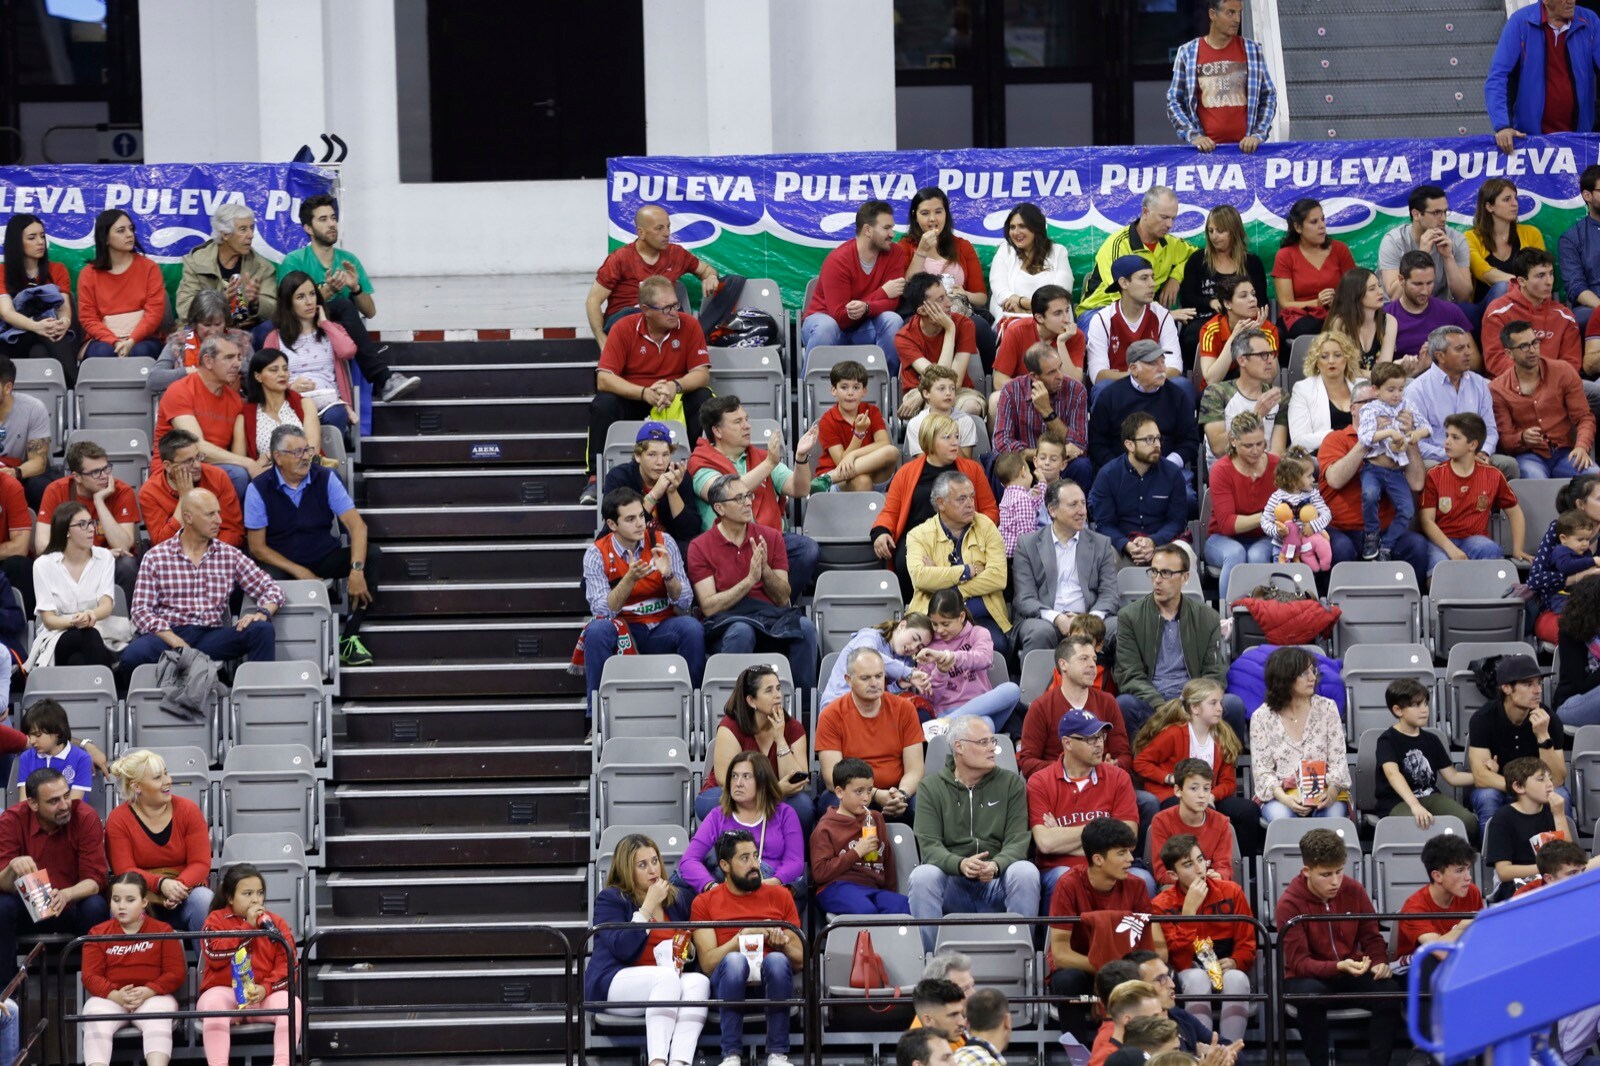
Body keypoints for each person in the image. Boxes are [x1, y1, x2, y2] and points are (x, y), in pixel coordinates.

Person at [243, 425, 380, 667]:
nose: (306, 456)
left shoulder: (325, 478)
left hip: (322, 556)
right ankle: (271, 651)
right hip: (281, 561)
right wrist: (299, 570)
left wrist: (356, 570)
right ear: (278, 457)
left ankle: (349, 636)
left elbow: (358, 527)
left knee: (371, 555)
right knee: (264, 578)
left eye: (307, 449)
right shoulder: (258, 488)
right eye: (297, 452)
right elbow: (257, 548)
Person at [910, 714, 1040, 949]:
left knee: (1026, 871)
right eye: (983, 743)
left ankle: (1023, 958)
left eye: (993, 742)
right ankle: (929, 964)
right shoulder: (931, 787)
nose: (992, 749)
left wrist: (997, 864)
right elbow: (929, 847)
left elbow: (1018, 840)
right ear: (959, 747)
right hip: (953, 883)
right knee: (922, 876)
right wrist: (960, 864)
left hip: (997, 881)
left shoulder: (1011, 784)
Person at [120, 488, 283, 675]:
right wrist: (178, 644)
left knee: (261, 630)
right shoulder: (156, 556)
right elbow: (141, 611)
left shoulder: (229, 555)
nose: (219, 521)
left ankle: (257, 699)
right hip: (168, 636)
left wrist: (262, 612)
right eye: (210, 514)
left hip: (210, 635)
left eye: (218, 513)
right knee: (132, 656)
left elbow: (272, 589)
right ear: (188, 518)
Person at [275, 194, 419, 403]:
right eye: (323, 219)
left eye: (333, 218)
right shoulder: (294, 261)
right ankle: (384, 378)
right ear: (308, 228)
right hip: (303, 326)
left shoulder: (349, 260)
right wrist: (329, 291)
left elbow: (370, 312)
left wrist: (356, 287)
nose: (332, 224)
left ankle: (385, 379)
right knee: (342, 304)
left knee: (347, 304)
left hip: (339, 330)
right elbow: (287, 307)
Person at [584, 275, 713, 505]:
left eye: (676, 305)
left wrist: (676, 386)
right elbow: (604, 379)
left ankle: (699, 470)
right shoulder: (624, 328)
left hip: (675, 397)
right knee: (604, 403)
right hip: (637, 395)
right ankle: (595, 479)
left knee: (704, 398)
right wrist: (644, 392)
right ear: (646, 310)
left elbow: (702, 374)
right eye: (667, 308)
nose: (674, 312)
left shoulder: (690, 325)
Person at [1275, 829, 1401, 1066]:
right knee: (1310, 995)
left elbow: (1372, 936)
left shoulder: (1354, 890)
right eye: (1325, 874)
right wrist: (1338, 966)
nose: (1335, 881)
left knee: (1390, 992)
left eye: (1339, 872)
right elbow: (1300, 964)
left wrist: (1378, 961)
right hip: (1307, 976)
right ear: (1306, 871)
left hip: (1349, 970)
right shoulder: (1289, 904)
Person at [686, 473, 818, 697]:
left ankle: (804, 711)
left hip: (770, 616)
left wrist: (765, 571)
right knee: (742, 631)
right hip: (726, 621)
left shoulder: (771, 537)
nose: (748, 502)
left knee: (805, 629)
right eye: (739, 499)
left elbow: (782, 597)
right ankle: (732, 710)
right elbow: (708, 607)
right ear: (719, 508)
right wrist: (749, 581)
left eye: (748, 496)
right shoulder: (700, 546)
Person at [585, 832, 708, 1066]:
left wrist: (688, 950)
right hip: (614, 982)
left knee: (699, 983)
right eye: (642, 865)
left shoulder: (676, 899)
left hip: (663, 984)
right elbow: (622, 948)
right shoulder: (611, 899)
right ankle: (658, 1062)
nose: (653, 870)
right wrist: (648, 906)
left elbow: (687, 948)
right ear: (626, 870)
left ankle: (680, 1062)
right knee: (666, 978)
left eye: (655, 861)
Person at [583, 483, 704, 710]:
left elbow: (685, 602)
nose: (640, 523)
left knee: (691, 628)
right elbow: (602, 611)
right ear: (612, 524)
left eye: (641, 515)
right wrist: (629, 578)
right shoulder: (596, 553)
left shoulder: (663, 542)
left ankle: (692, 711)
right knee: (596, 631)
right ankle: (595, 717)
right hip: (624, 631)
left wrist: (668, 576)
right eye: (630, 519)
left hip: (661, 628)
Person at [689, 828, 803, 1066]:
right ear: (725, 865)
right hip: (727, 980)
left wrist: (781, 945)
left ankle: (777, 1055)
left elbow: (801, 959)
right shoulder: (704, 903)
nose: (754, 865)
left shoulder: (780, 895)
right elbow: (708, 964)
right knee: (733, 961)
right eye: (744, 858)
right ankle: (731, 1055)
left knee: (777, 960)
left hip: (773, 980)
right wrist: (740, 939)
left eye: (755, 856)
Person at [688, 397, 820, 595]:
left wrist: (801, 458)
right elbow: (723, 493)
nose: (747, 426)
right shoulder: (700, 463)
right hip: (726, 545)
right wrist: (769, 464)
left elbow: (798, 489)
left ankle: (779, 602)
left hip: (767, 538)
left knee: (807, 549)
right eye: (737, 422)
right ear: (717, 431)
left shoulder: (759, 457)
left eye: (746, 419)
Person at [1114, 543, 1240, 739]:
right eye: (1154, 572)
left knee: (1233, 705)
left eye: (1165, 573)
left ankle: (1220, 769)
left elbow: (1214, 671)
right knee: (1124, 704)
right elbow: (1129, 675)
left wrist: (1191, 703)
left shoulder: (1206, 617)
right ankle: (1137, 769)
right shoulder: (1129, 617)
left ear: (1185, 577)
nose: (1157, 580)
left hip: (1194, 701)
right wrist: (1161, 705)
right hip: (1152, 701)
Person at [0, 768, 110, 989]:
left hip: (70, 905)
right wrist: (13, 868)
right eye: (53, 801)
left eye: (66, 796)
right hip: (28, 907)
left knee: (95, 906)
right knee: (1, 906)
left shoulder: (85, 816)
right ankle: (6, 994)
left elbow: (96, 879)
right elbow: (2, 883)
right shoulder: (11, 820)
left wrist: (68, 893)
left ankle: (97, 986)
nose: (64, 805)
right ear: (32, 804)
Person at [874, 415, 997, 600]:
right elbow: (891, 511)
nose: (955, 443)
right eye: (947, 437)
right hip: (917, 539)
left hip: (961, 536)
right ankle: (915, 610)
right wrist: (881, 532)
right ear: (929, 440)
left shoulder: (972, 469)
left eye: (956, 437)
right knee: (904, 561)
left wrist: (976, 532)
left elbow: (990, 510)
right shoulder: (906, 473)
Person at [1316, 379, 1432, 574]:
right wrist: (1367, 439)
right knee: (1340, 549)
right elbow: (1335, 480)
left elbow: (1417, 483)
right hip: (1343, 530)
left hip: (1385, 533)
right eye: (1369, 403)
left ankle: (1412, 603)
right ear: (1353, 409)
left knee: (1417, 545)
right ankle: (1334, 604)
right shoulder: (1336, 439)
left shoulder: (1395, 440)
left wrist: (1408, 436)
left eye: (1382, 403)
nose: (1377, 408)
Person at [1133, 681, 1260, 855]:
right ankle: (1182, 864)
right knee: (1184, 807)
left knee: (1249, 811)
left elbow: (1229, 782)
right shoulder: (1174, 733)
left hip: (1208, 797)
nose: (1220, 709)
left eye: (1221, 703)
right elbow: (1141, 762)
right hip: (1175, 795)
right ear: (1195, 708)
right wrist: (1169, 778)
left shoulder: (1222, 738)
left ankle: (1248, 871)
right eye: (1213, 703)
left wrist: (1212, 795)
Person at [1028, 708, 1141, 901]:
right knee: (1064, 878)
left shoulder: (1118, 777)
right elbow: (1046, 843)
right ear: (1067, 743)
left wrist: (1061, 835)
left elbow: (1128, 838)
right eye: (1091, 739)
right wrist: (1106, 833)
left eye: (1101, 737)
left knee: (1143, 878)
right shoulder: (1040, 781)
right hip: (1060, 869)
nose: (1099, 745)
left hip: (1112, 865)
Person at [1046, 819, 1157, 1003]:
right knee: (1068, 981)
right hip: (1084, 966)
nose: (1130, 859)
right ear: (1098, 859)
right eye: (1122, 853)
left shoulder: (1137, 885)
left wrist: (1126, 969)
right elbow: (1060, 955)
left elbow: (1152, 946)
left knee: (1164, 975)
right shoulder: (1067, 885)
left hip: (1125, 969)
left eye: (1129, 851)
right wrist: (1111, 968)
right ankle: (1074, 1034)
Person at [198, 863, 299, 1066]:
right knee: (213, 1005)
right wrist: (247, 929)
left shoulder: (275, 923)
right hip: (224, 993)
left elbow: (288, 965)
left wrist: (265, 988)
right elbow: (213, 953)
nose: (256, 899)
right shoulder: (215, 920)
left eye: (260, 893)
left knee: (292, 1004)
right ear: (229, 897)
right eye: (247, 893)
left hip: (261, 995)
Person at [80, 872, 184, 1066]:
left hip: (152, 997)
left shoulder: (163, 931)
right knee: (93, 1011)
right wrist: (115, 994)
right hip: (112, 998)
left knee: (159, 1012)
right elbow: (90, 976)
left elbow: (175, 973)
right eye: (116, 899)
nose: (121, 906)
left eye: (130, 900)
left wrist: (148, 990)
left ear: (144, 902)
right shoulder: (97, 933)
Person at [104, 748, 213, 932]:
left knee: (204, 899)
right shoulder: (118, 819)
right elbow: (124, 870)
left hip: (184, 895)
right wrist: (161, 884)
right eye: (157, 778)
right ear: (137, 786)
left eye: (166, 773)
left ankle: (210, 961)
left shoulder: (188, 810)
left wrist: (177, 889)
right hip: (142, 897)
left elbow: (200, 862)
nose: (167, 781)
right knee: (121, 906)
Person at [815, 647, 926, 824]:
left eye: (879, 676)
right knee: (836, 803)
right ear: (848, 680)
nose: (874, 683)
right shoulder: (831, 715)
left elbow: (915, 769)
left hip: (896, 791)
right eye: (866, 678)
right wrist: (873, 794)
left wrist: (901, 795)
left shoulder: (905, 709)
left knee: (923, 804)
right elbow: (831, 778)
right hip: (852, 792)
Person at [905, 472, 1011, 655]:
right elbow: (921, 577)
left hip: (982, 618)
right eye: (961, 499)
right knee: (925, 651)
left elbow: (998, 578)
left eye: (971, 497)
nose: (970, 504)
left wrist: (951, 589)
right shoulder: (918, 535)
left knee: (996, 647)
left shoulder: (986, 526)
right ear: (941, 503)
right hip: (936, 621)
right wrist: (967, 571)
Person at [1011, 482, 1120, 658]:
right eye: (1073, 505)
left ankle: (1124, 685)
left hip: (1090, 617)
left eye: (1083, 503)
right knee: (1040, 632)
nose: (1082, 511)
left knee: (1120, 627)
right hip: (1046, 619)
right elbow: (1025, 598)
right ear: (1052, 511)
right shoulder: (1027, 544)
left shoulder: (1102, 543)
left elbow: (1109, 594)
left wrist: (1088, 622)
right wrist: (1057, 618)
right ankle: (1039, 686)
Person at [800, 200, 909, 372]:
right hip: (826, 321)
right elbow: (841, 317)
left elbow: (892, 302)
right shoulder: (838, 260)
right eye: (886, 228)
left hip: (864, 325)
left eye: (892, 227)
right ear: (867, 230)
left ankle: (889, 388)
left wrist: (866, 307)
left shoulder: (895, 253)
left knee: (892, 320)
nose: (892, 233)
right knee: (827, 327)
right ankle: (811, 393)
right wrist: (881, 293)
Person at [586, 205, 721, 342]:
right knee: (644, 314)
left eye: (668, 227)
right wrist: (602, 340)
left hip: (662, 318)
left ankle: (698, 336)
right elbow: (593, 301)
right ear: (641, 233)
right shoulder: (620, 258)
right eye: (659, 228)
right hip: (625, 320)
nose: (667, 233)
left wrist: (711, 276)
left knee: (733, 283)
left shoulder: (676, 254)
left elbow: (706, 270)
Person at [899, 188, 998, 374]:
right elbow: (907, 288)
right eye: (925, 213)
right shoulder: (906, 246)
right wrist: (921, 251)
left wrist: (964, 294)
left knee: (981, 328)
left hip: (959, 311)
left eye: (938, 211)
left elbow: (981, 298)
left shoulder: (962, 246)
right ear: (915, 216)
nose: (932, 219)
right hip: (923, 314)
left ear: (946, 213)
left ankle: (989, 381)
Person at [151, 332, 259, 502]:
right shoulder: (180, 390)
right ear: (208, 361)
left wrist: (247, 463)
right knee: (239, 474)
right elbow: (196, 447)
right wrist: (248, 463)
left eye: (239, 357)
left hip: (212, 471)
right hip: (177, 470)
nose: (237, 364)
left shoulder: (235, 401)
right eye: (229, 358)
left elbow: (238, 456)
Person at [1248, 646, 1351, 823]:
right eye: (1304, 673)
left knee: (1330, 818)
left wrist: (1332, 793)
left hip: (1325, 789)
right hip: (1282, 795)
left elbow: (1338, 761)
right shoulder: (1261, 717)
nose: (1312, 678)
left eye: (1313, 671)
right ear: (1284, 678)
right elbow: (1263, 772)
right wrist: (1286, 799)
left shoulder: (1327, 708)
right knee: (1283, 818)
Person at [699, 664, 811, 826]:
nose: (777, 695)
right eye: (769, 690)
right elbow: (726, 780)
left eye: (778, 688)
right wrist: (773, 791)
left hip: (778, 795)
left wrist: (780, 739)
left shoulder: (793, 728)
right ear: (751, 701)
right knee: (716, 803)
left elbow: (796, 782)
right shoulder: (731, 727)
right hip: (731, 793)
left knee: (802, 805)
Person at [679, 752, 804, 895]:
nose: (738, 783)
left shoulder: (785, 814)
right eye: (734, 776)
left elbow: (794, 861)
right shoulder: (717, 816)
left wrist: (773, 882)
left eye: (746, 776)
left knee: (797, 887)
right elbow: (689, 860)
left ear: (762, 782)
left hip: (771, 889)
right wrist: (712, 887)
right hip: (727, 888)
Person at [1467, 653, 1570, 826]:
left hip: (1537, 787)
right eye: (1528, 684)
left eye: (1538, 683)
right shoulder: (1483, 719)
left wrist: (1543, 736)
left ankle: (1561, 853)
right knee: (1486, 796)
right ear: (1506, 688)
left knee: (1561, 796)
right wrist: (1525, 788)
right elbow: (1481, 777)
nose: (1537, 690)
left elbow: (1558, 779)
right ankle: (1492, 853)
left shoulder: (1549, 720)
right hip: (1501, 787)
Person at [1485, 0, 1600, 153]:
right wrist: (1503, 126)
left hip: (1579, 139)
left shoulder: (1590, 21)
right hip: (1530, 141)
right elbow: (1498, 77)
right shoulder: (1520, 22)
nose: (1571, 0)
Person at [1407, 325, 1520, 480]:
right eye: (1460, 348)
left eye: (1468, 346)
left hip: (1477, 455)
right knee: (1429, 468)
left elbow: (1490, 429)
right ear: (1440, 356)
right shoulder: (1417, 390)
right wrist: (1456, 456)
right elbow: (1416, 442)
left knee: (1508, 465)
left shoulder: (1480, 384)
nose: (1468, 352)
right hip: (1440, 457)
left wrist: (1483, 452)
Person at [1418, 413, 1527, 574]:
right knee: (1439, 565)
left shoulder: (1493, 475)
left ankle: (1486, 597)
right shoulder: (1435, 474)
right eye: (1447, 436)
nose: (1447, 442)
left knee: (1491, 550)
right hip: (1442, 540)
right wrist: (1451, 549)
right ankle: (1439, 598)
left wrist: (1517, 548)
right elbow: (1426, 520)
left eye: (1455, 437)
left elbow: (1515, 511)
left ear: (1472, 445)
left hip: (1475, 539)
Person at [1491, 318, 1599, 480]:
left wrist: (1582, 447)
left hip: (1565, 453)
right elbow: (1505, 440)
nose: (1532, 350)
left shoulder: (1563, 371)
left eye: (1535, 342)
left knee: (1594, 476)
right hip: (1529, 456)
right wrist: (1522, 438)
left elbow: (1584, 418)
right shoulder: (1498, 389)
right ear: (1509, 353)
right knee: (1535, 480)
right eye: (1524, 346)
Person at [34, 440, 139, 604]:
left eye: (106, 468)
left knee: (127, 564)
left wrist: (99, 501)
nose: (104, 476)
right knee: (44, 564)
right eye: (96, 472)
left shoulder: (122, 491)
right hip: (70, 562)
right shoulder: (56, 490)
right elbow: (42, 545)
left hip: (110, 564)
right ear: (77, 477)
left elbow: (124, 545)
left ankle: (129, 623)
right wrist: (94, 556)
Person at [1166, 0, 1276, 154]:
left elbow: (1268, 96)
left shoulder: (1253, 51)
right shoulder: (1188, 53)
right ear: (1212, 14)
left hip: (1247, 153)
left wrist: (1257, 135)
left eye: (1239, 13)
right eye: (1230, 13)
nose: (1237, 19)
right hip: (1204, 155)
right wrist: (1194, 136)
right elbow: (1174, 101)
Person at [1375, 678, 1480, 839]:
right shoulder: (1387, 740)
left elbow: (1453, 776)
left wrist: (1484, 776)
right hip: (1397, 801)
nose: (1424, 710)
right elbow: (1392, 774)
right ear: (1398, 710)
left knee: (1468, 822)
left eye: (1425, 704)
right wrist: (1415, 805)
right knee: (1416, 826)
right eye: (1416, 705)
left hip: (1430, 796)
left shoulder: (1432, 739)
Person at [1018, 635, 1133, 779]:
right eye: (1084, 659)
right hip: (1060, 787)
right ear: (1063, 665)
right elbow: (1028, 762)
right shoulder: (1041, 707)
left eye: (1094, 659)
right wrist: (1070, 769)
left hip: (1103, 784)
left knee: (1147, 801)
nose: (1092, 665)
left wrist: (1116, 765)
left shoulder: (1107, 702)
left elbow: (1124, 755)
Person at [260, 272, 358, 433]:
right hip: (291, 404)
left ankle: (320, 457)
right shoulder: (275, 338)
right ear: (288, 304)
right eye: (300, 297)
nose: (309, 302)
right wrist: (289, 388)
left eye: (312, 294)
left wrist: (325, 323)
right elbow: (266, 378)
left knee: (336, 415)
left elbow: (348, 351)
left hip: (329, 405)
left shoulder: (332, 330)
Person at [26, 501, 117, 672]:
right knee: (89, 636)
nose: (91, 529)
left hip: (98, 628)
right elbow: (49, 620)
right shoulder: (43, 565)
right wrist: (76, 621)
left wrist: (89, 616)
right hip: (58, 635)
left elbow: (106, 605)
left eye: (91, 523)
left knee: (79, 660)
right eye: (82, 524)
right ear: (66, 530)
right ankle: (105, 693)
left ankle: (97, 692)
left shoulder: (105, 557)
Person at [810, 757, 908, 916]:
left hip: (872, 888)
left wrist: (890, 894)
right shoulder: (826, 827)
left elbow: (887, 860)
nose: (866, 798)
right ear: (839, 792)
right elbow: (820, 873)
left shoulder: (876, 819)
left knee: (903, 907)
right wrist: (856, 852)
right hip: (836, 887)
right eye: (859, 791)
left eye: (869, 790)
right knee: (865, 911)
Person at [1079, 189, 1191, 323]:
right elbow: (1122, 293)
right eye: (1164, 217)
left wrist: (1176, 278)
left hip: (1143, 312)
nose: (1170, 225)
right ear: (1145, 212)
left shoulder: (1172, 244)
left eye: (1173, 218)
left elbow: (1201, 256)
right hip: (1099, 310)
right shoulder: (1119, 244)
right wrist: (1163, 315)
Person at [1086, 345, 1200, 476]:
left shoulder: (1178, 396)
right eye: (1153, 364)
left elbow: (1190, 441)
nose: (1162, 369)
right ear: (1134, 369)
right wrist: (1118, 468)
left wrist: (1169, 464)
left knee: (1187, 495)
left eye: (1163, 362)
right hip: (1121, 472)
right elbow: (1097, 442)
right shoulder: (1110, 396)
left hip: (1167, 470)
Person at [993, 344, 1092, 493]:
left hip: (1062, 464)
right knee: (1000, 465)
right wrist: (1041, 455)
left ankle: (1073, 512)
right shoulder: (1011, 391)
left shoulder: (1076, 390)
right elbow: (1001, 443)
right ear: (1034, 376)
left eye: (1060, 367)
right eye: (1052, 372)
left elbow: (1079, 445)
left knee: (1083, 466)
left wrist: (1047, 412)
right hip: (1025, 465)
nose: (1060, 376)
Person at [1083, 258, 1184, 401]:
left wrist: (1144, 378)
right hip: (1120, 392)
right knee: (1103, 388)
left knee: (1181, 384)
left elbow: (1175, 367)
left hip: (1156, 387)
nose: (1152, 284)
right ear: (1124, 283)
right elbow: (1099, 375)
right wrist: (1141, 377)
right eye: (1144, 278)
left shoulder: (1161, 315)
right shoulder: (1102, 319)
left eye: (1152, 277)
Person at [920, 589, 1021, 731]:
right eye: (934, 624)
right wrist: (941, 671)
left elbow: (984, 658)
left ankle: (946, 722)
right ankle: (946, 722)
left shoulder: (978, 632)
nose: (939, 630)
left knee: (1013, 689)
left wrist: (952, 657)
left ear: (961, 617)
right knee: (986, 725)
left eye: (945, 624)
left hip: (981, 706)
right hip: (947, 709)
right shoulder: (929, 646)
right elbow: (931, 699)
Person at [1358, 361, 1430, 559]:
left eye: (1400, 389)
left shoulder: (1407, 406)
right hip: (1373, 468)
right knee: (1370, 495)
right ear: (1376, 390)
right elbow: (1365, 437)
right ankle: (1371, 535)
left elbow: (1427, 427)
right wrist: (1389, 432)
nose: (1397, 394)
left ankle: (1386, 546)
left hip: (1396, 470)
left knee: (1407, 510)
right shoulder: (1370, 409)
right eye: (1391, 389)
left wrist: (1415, 434)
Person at [1181, 206, 1269, 367]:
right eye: (1211, 231)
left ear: (1233, 231)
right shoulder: (1198, 259)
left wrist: (1240, 311)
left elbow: (1261, 300)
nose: (1214, 236)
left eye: (1220, 231)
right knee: (1193, 335)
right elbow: (1187, 298)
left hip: (1244, 320)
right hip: (1206, 321)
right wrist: (1209, 302)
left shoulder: (1252, 262)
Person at [175, 204, 277, 340]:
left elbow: (274, 309)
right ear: (225, 234)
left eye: (252, 228)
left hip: (245, 331)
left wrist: (256, 302)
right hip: (207, 330)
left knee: (269, 328)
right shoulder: (196, 262)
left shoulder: (263, 267)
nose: (251, 235)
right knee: (188, 332)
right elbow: (184, 308)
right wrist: (220, 301)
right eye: (243, 229)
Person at [1202, 412, 1278, 596]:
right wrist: (1267, 516)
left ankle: (1261, 615)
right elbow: (1227, 525)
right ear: (1233, 441)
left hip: (1264, 536)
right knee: (1235, 554)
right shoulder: (1221, 470)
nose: (1256, 450)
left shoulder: (1277, 464)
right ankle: (1228, 615)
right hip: (1221, 538)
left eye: (1260, 444)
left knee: (1257, 555)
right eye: (1248, 445)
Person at [76, 209, 166, 361]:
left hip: (143, 338)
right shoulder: (88, 274)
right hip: (103, 339)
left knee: (141, 351)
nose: (129, 234)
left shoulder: (149, 268)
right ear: (105, 238)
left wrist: (132, 340)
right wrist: (115, 341)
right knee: (103, 353)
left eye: (131, 229)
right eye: (121, 230)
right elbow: (88, 318)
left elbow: (154, 313)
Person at [894, 274, 987, 420]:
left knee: (971, 407)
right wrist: (950, 330)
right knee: (937, 407)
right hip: (919, 391)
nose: (949, 303)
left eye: (946, 295)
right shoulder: (904, 337)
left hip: (957, 390)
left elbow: (953, 382)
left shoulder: (964, 325)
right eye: (940, 299)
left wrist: (950, 329)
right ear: (922, 310)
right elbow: (939, 380)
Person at [1483, 248, 1584, 379]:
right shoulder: (1498, 311)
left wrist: (1549, 383)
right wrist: (1533, 379)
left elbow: (1572, 363)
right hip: (1512, 386)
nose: (1549, 282)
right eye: (1541, 276)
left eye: (1551, 274)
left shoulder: (1565, 316)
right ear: (1521, 281)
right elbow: (1496, 361)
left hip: (1556, 386)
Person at [138, 430, 244, 549]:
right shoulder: (150, 492)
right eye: (188, 461)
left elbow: (234, 532)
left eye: (198, 457)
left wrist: (204, 552)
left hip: (215, 553)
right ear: (168, 466)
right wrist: (184, 499)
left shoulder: (218, 477)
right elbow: (161, 544)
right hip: (174, 560)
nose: (197, 465)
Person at [0, 214, 76, 378]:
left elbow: (64, 307)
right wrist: (37, 326)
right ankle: (75, 388)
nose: (40, 242)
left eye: (42, 236)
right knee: (48, 335)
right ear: (17, 242)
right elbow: (6, 312)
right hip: (13, 337)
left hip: (49, 333)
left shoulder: (58, 269)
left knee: (40, 351)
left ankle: (67, 394)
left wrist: (64, 321)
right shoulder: (2, 272)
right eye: (32, 237)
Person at [601, 421, 699, 546]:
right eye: (652, 455)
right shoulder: (619, 477)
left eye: (665, 454)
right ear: (637, 456)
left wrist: (672, 492)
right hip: (629, 544)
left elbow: (689, 531)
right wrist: (654, 495)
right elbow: (615, 528)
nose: (660, 462)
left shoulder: (678, 476)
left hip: (670, 546)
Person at [1198, 328, 1284, 468]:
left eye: (1271, 354)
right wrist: (1256, 415)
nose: (1270, 360)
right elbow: (1219, 449)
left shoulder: (1279, 396)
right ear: (1242, 360)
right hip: (1226, 473)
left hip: (1266, 472)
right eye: (1263, 355)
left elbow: (1277, 452)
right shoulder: (1216, 393)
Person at [1272, 199, 1356, 342]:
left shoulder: (1340, 249)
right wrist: (1317, 303)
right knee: (1311, 327)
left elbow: (1355, 289)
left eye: (1323, 220)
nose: (1322, 226)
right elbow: (1286, 303)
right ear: (1298, 227)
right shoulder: (1285, 255)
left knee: (1349, 322)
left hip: (1337, 312)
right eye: (1314, 222)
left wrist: (1337, 300)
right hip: (1300, 317)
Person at [1483, 757, 1565, 901]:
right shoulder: (1503, 817)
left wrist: (1559, 815)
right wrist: (1546, 869)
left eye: (1550, 778)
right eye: (1541, 779)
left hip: (1551, 879)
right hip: (1514, 884)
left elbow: (1569, 858)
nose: (1550, 784)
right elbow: (1504, 872)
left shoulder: (1553, 812)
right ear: (1519, 787)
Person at [1377, 185, 1474, 306]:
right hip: (1399, 309)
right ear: (1416, 214)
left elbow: (1463, 296)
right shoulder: (1394, 241)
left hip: (1437, 306)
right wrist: (1421, 256)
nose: (1443, 218)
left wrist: (1448, 257)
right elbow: (1395, 296)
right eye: (1436, 213)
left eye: (1445, 212)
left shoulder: (1456, 239)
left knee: (1468, 310)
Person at [1394, 833, 1483, 964]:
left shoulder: (1472, 892)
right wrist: (1461, 927)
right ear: (1437, 876)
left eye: (1468, 869)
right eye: (1459, 871)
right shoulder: (1414, 907)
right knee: (1430, 959)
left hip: (1459, 964)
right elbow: (1440, 952)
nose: (1468, 877)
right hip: (1413, 971)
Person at [1148, 760, 1241, 884]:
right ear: (1178, 790)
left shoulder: (1222, 822)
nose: (1202, 795)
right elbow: (1161, 872)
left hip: (1211, 887)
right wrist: (1192, 881)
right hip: (1176, 888)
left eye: (1207, 788)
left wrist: (1218, 875)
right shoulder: (1161, 821)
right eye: (1194, 788)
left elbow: (1224, 868)